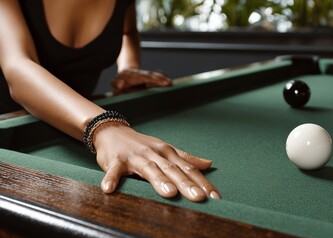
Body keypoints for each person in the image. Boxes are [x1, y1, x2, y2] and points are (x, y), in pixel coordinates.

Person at [0, 0, 221, 202]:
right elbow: (18, 67)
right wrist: (104, 126)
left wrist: (128, 67)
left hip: (68, 129)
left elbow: (128, 32)